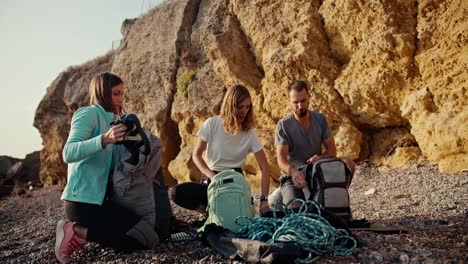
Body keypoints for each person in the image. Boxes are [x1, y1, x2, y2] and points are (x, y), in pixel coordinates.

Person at [55, 72, 159, 264]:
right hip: (82, 203)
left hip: (103, 202)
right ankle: (74, 230)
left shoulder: (115, 121)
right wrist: (105, 139)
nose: (121, 99)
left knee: (148, 238)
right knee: (141, 240)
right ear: (102, 92)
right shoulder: (88, 114)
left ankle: (82, 235)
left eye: (122, 94)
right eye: (116, 93)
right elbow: (68, 152)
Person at [169, 84, 271, 215]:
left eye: (247, 107)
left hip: (235, 184)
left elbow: (264, 166)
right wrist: (213, 176)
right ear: (231, 105)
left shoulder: (250, 132)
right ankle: (205, 212)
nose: (244, 111)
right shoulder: (212, 124)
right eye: (240, 107)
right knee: (175, 193)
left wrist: (264, 199)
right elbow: (197, 155)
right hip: (212, 179)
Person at [274, 80, 355, 208]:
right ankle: (281, 196)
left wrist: (320, 158)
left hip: (316, 171)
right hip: (293, 175)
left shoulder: (320, 119)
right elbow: (281, 160)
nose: (300, 106)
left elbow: (332, 151)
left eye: (303, 101)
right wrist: (293, 172)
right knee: (295, 208)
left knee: (348, 164)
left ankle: (337, 199)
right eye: (295, 102)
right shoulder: (283, 125)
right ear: (289, 101)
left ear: (309, 97)